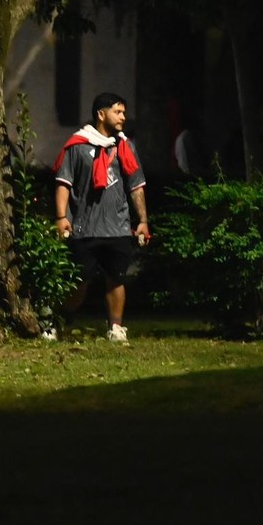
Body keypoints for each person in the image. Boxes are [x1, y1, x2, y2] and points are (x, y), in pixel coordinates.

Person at [53, 92, 150, 343]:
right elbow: (63, 183)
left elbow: (136, 185)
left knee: (116, 280)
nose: (123, 117)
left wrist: (142, 221)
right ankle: (56, 323)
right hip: (84, 228)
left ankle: (116, 327)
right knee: (78, 284)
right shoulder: (78, 145)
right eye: (118, 112)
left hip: (117, 228)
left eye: (124, 112)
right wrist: (61, 216)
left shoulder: (126, 146)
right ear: (101, 114)